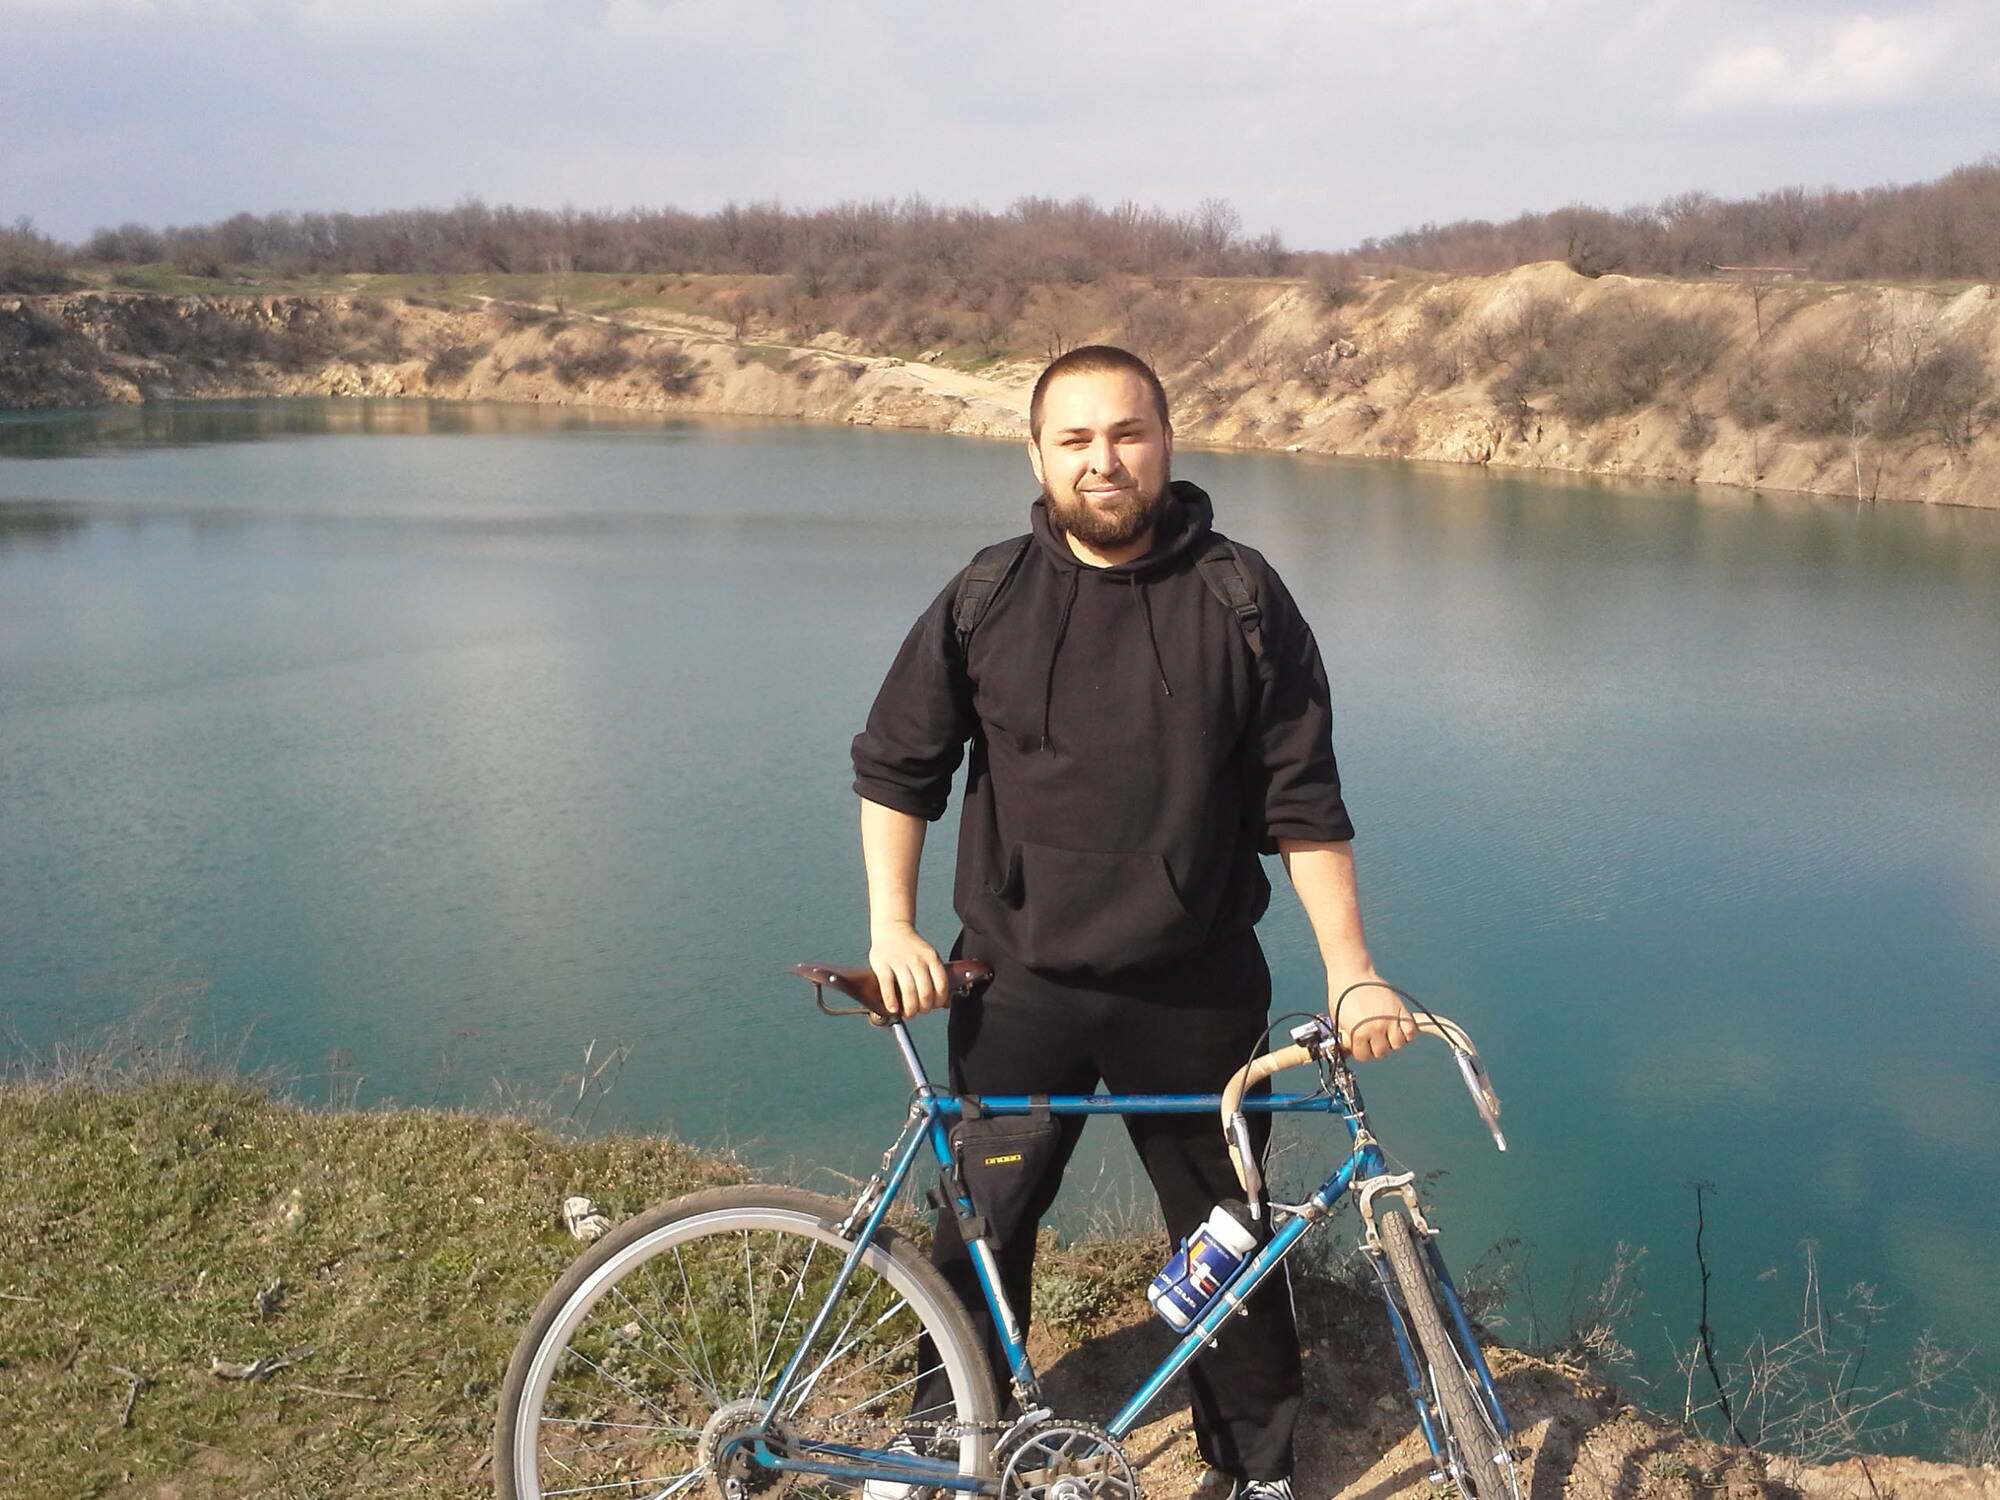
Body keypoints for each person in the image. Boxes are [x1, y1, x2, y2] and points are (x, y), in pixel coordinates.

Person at [849, 345, 1413, 1500]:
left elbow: (1303, 801)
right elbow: (897, 768)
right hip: (1015, 984)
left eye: (1125, 433)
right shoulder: (985, 595)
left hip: (1193, 990)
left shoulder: (1241, 596)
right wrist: (891, 930)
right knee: (981, 1223)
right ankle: (943, 1438)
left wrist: (1350, 968)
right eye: (1074, 439)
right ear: (1037, 455)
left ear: (1164, 442)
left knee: (1226, 1234)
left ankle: (1252, 1468)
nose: (1101, 461)